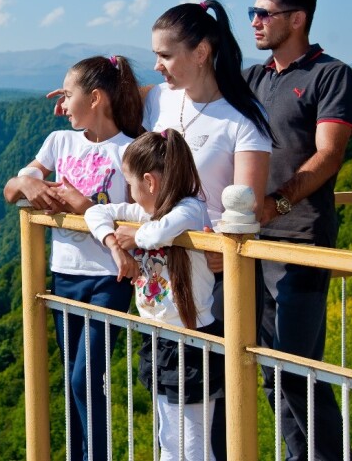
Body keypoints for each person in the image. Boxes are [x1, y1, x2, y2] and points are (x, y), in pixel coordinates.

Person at [140, 0, 274, 459]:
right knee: (166, 404)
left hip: (217, 280)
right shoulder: (160, 99)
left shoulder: (243, 120)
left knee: (206, 409)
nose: (157, 66)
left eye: (166, 55)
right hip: (162, 276)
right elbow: (118, 94)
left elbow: (248, 210)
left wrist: (215, 246)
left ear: (201, 52)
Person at [244, 0, 352, 461]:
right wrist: (108, 86)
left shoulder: (331, 76)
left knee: (297, 370)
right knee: (271, 369)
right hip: (251, 241)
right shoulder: (253, 77)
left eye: (263, 13)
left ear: (297, 19)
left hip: (301, 241)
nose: (254, 22)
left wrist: (277, 204)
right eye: (252, 13)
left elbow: (328, 156)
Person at [4, 54, 145, 461]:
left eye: (68, 95)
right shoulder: (58, 142)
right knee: (74, 379)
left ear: (96, 98)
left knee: (87, 379)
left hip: (108, 279)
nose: (61, 105)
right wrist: (25, 183)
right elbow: (11, 190)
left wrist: (86, 208)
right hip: (64, 275)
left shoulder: (131, 151)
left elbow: (141, 220)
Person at [84, 129, 221, 461]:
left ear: (149, 181)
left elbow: (158, 233)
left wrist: (134, 235)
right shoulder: (147, 213)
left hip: (192, 341)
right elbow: (95, 212)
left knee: (193, 444)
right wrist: (114, 245)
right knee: (169, 438)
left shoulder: (190, 209)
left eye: (130, 184)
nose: (129, 195)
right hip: (158, 337)